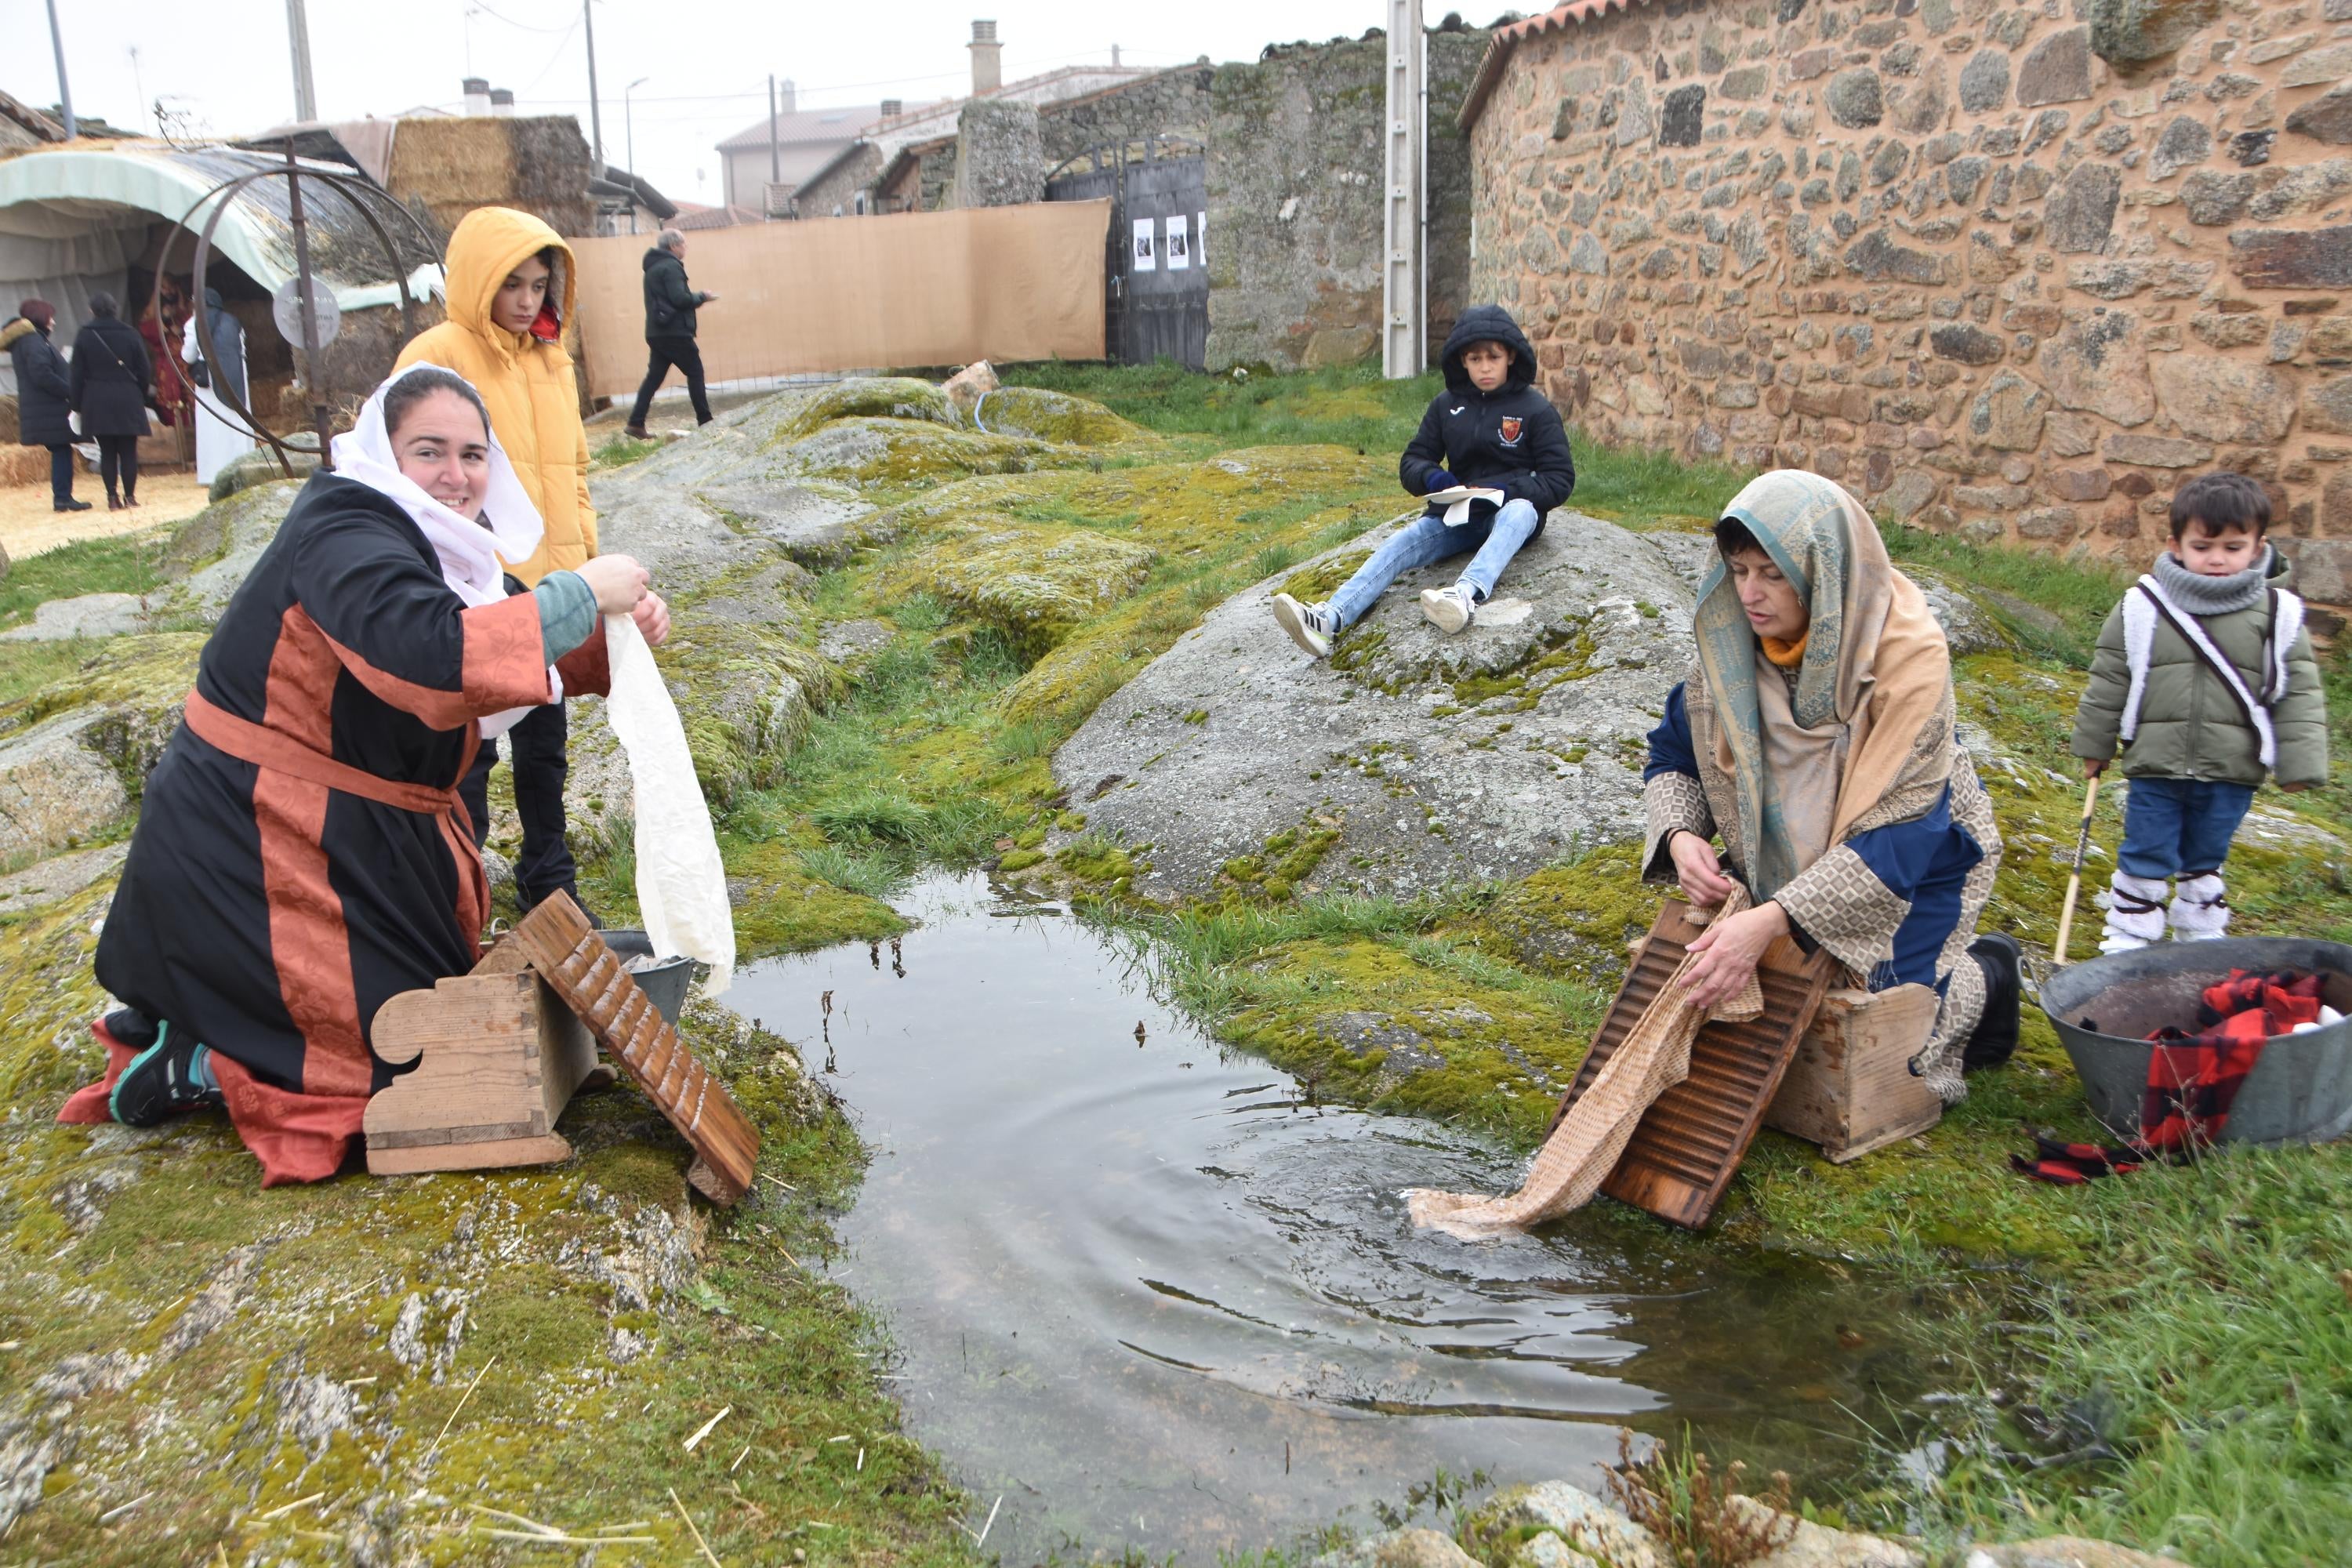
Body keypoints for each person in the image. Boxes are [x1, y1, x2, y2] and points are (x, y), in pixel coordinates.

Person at [58, 365, 670, 1185]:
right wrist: (576, 594)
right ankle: (191, 1061)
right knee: (396, 1066)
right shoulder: (346, 530)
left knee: (439, 1021)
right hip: (257, 836)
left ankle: (202, 1027)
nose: (455, 475)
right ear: (385, 451)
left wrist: (608, 633)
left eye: (471, 454)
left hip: (357, 829)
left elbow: (491, 623)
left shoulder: (436, 545)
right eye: (429, 451)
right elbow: (437, 656)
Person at [1641, 470, 2016, 1103]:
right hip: (1790, 862)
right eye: (1739, 571)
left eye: (1773, 573)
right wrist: (1680, 837)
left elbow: (1904, 837)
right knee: (1754, 1020)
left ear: (1826, 571)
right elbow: (1676, 753)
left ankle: (1989, 975)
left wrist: (1769, 922)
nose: (1751, 595)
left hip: (1919, 867)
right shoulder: (1731, 648)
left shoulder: (1908, 667)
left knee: (1870, 1034)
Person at [397, 208, 601, 920]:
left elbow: (574, 467)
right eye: (511, 283)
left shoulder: (553, 358)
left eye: (540, 284)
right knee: (473, 750)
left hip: (551, 580)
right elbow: (409, 470)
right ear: (479, 280)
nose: (527, 300)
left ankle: (550, 881)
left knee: (546, 742)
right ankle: (463, 888)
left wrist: (586, 560)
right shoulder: (439, 352)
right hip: (480, 579)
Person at [2071, 473, 2326, 953]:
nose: (2216, 559)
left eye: (2233, 547)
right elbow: (2110, 678)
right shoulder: (2143, 605)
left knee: (2206, 854)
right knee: (2146, 848)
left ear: (2257, 547)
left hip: (2232, 767)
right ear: (2176, 544)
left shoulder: (2279, 615)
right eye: (2203, 545)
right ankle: (2130, 934)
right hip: (2155, 762)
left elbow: (2300, 695)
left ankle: (2199, 935)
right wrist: (2094, 744)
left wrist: (2300, 764)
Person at [1271, 305, 1574, 655]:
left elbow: (1560, 479)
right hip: (1457, 515)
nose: (1485, 366)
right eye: (1475, 359)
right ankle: (1330, 618)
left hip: (1509, 514)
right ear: (1462, 360)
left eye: (1494, 357)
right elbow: (1413, 461)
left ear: (1510, 357)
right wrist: (1435, 479)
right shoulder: (1445, 406)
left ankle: (1463, 596)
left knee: (1522, 511)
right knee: (1405, 540)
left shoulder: (1535, 410)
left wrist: (1505, 491)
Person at [623, 228, 717, 439]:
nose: (686, 247)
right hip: (674, 332)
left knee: (653, 379)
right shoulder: (671, 266)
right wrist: (702, 296)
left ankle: (635, 423)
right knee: (695, 371)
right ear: (673, 246)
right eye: (683, 243)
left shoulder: (652, 267)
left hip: (657, 331)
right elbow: (680, 299)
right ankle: (705, 420)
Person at [67, 291, 153, 511]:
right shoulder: (130, 333)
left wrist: (76, 404)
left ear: (91, 310)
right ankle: (131, 497)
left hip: (97, 397)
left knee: (107, 451)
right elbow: (144, 370)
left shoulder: (85, 335)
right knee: (128, 450)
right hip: (127, 396)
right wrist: (139, 393)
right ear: (115, 309)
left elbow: (76, 374)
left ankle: (112, 498)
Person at [3, 299, 87, 513]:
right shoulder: (33, 342)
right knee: (61, 449)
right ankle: (63, 499)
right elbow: (42, 374)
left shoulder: (31, 341)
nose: (53, 322)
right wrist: (69, 391)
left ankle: (63, 497)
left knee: (62, 450)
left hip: (46, 408)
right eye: (51, 317)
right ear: (41, 318)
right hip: (49, 407)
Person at [183, 285, 255, 486]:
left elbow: (187, 355)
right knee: (238, 422)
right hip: (237, 378)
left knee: (213, 428)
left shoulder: (194, 323)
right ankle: (243, 468)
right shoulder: (233, 321)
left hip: (210, 384)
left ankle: (213, 474)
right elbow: (242, 349)